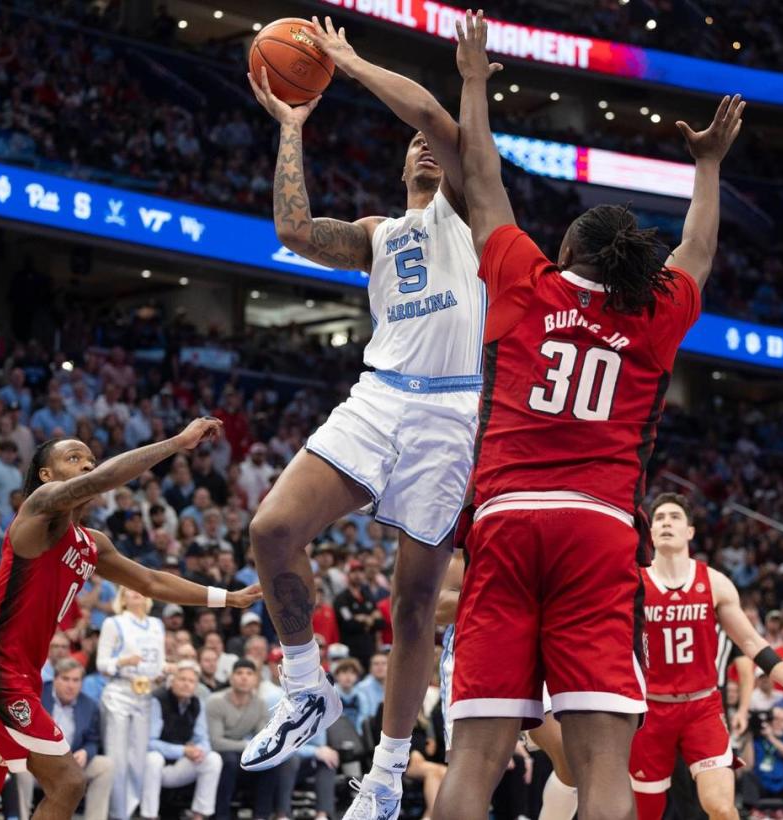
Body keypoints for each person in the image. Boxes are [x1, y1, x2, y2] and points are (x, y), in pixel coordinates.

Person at [432, 14, 748, 820]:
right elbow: (699, 251)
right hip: (599, 528)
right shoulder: (655, 314)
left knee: (473, 763)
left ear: (564, 249)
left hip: (505, 520)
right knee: (604, 764)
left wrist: (473, 81)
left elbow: (482, 173)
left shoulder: (524, 280)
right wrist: (706, 166)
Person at [242, 18, 485, 819]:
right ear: (395, 167)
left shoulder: (472, 215)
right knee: (272, 530)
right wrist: (290, 129)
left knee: (414, 603)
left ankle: (384, 775)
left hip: (450, 410)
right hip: (379, 395)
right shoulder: (381, 233)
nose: (422, 150)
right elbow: (292, 231)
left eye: (428, 147)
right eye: (410, 150)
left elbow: (433, 118)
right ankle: (307, 686)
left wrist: (346, 61)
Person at [0, 419, 261, 820]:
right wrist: (176, 443)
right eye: (74, 457)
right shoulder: (39, 511)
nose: (86, 464)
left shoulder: (92, 543)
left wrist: (227, 598)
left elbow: (151, 581)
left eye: (89, 458)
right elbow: (101, 480)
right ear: (46, 475)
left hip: (20, 669)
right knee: (68, 782)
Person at [629, 494, 783, 820]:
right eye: (659, 519)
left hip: (701, 707)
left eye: (675, 517)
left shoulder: (715, 583)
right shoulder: (634, 584)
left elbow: (752, 643)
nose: (666, 522)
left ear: (690, 532)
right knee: (646, 814)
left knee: (722, 808)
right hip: (651, 708)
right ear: (650, 533)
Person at [436, 548, 578, 819]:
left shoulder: (549, 523)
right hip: (479, 650)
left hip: (535, 646)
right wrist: (506, 593)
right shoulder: (471, 531)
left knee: (571, 758)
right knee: (470, 774)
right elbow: (439, 608)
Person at [97, 586, 166, 820]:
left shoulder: (157, 624)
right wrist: (123, 661)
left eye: (140, 589)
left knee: (138, 758)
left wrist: (166, 670)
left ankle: (131, 808)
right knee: (117, 757)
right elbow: (101, 663)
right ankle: (118, 814)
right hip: (119, 692)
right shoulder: (114, 623)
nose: (136, 592)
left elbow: (160, 662)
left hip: (146, 693)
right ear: (122, 597)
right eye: (129, 589)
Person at [16, 658, 114, 820]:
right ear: (55, 679)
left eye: (76, 680)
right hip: (37, 763)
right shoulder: (36, 697)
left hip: (70, 764)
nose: (71, 685)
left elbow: (93, 740)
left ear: (82, 683)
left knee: (106, 765)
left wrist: (85, 752)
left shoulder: (89, 706)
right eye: (65, 679)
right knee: (21, 769)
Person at [141, 661, 223, 820]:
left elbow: (203, 738)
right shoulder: (157, 699)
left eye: (191, 681)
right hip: (156, 764)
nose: (187, 684)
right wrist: (183, 750)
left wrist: (199, 751)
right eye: (182, 679)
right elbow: (150, 742)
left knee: (213, 758)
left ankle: (199, 814)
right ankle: (149, 815)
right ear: (172, 681)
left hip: (180, 764)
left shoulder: (197, 703)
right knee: (153, 758)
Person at [206, 658, 278, 820]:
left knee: (269, 763)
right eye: (239, 673)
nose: (244, 677)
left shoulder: (260, 704)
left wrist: (252, 748)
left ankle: (261, 815)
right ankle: (221, 816)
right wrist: (247, 745)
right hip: (221, 753)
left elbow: (262, 739)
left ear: (256, 679)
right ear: (231, 678)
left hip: (243, 751)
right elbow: (216, 742)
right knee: (230, 761)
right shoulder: (215, 701)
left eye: (249, 674)